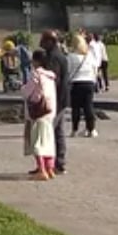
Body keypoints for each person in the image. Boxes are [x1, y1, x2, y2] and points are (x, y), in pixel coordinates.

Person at [40, 30, 74, 173]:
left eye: (44, 40)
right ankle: (59, 162)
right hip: (62, 97)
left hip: (56, 98)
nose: (41, 43)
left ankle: (49, 164)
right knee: (58, 130)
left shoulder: (53, 57)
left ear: (50, 42)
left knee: (49, 131)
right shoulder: (59, 55)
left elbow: (52, 79)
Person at [21, 49, 58, 180]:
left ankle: (42, 170)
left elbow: (27, 92)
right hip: (50, 111)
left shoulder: (36, 74)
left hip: (39, 112)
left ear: (36, 61)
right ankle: (50, 168)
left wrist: (22, 88)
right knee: (48, 141)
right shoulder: (50, 76)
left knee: (37, 141)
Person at [68, 33, 101, 137]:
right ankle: (92, 129)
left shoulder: (71, 56)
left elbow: (68, 70)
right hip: (89, 82)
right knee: (88, 106)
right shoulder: (89, 56)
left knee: (76, 108)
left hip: (76, 83)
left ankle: (74, 129)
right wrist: (94, 80)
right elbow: (95, 69)